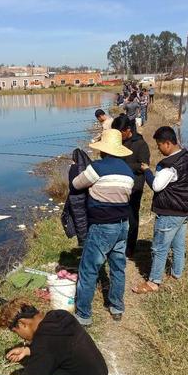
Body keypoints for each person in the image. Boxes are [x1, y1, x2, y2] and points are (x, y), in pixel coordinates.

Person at [0, 298, 113, 375]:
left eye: (16, 332)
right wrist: (29, 350)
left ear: (22, 324)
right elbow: (58, 346)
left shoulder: (44, 344)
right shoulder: (59, 316)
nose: (20, 337)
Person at [72, 129, 134, 326]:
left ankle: (83, 314)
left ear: (103, 150)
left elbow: (76, 184)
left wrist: (76, 169)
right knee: (118, 267)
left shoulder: (98, 167)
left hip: (102, 227)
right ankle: (117, 307)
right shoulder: (128, 171)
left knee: (89, 269)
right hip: (123, 225)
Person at [133, 126, 188, 294]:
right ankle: (177, 273)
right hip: (184, 210)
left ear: (168, 144)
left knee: (159, 248)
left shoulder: (170, 165)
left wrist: (147, 171)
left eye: (159, 145)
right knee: (178, 244)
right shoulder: (186, 157)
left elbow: (156, 186)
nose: (158, 149)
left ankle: (153, 282)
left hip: (170, 211)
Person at [111, 114, 150, 257]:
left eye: (120, 133)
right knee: (117, 215)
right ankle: (117, 244)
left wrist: (122, 165)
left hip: (135, 186)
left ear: (128, 129)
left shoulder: (141, 144)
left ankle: (131, 248)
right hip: (118, 185)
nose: (119, 136)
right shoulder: (117, 142)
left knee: (132, 217)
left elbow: (144, 165)